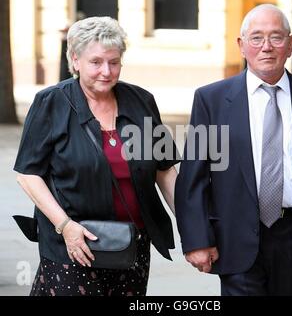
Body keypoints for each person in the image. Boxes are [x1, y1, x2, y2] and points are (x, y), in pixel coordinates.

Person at [175, 4, 292, 296]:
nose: (266, 47)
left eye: (276, 37)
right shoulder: (211, 100)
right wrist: (197, 239)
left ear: (290, 45)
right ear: (241, 46)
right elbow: (193, 178)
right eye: (256, 38)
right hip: (235, 236)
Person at [14, 16, 179, 296]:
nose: (106, 71)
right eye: (96, 62)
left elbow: (164, 170)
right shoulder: (51, 102)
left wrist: (193, 227)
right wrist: (64, 225)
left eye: (114, 62)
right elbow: (28, 173)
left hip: (131, 245)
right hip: (73, 245)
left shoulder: (142, 101)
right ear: (75, 60)